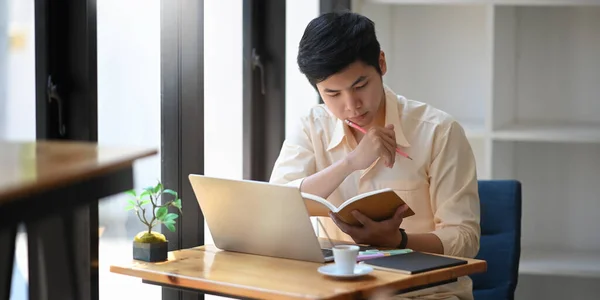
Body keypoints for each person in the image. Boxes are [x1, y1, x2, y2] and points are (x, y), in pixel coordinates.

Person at [269, 11, 480, 300]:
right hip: (338, 292)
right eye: (332, 94)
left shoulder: (439, 131)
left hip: (425, 292)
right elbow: (277, 204)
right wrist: (350, 163)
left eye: (360, 86)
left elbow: (465, 239)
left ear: (381, 63)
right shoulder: (311, 126)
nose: (351, 105)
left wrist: (399, 240)